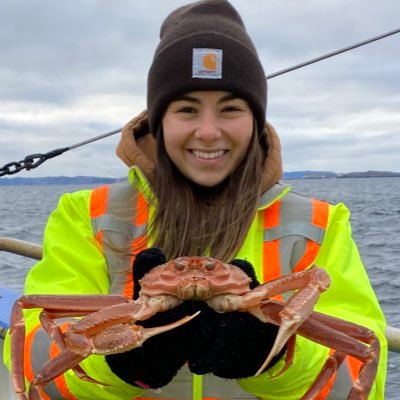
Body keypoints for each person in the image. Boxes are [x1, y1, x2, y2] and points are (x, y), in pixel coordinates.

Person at [4, 0, 387, 399]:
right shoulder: (87, 215)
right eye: (186, 109)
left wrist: (279, 358)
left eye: (231, 108)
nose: (207, 132)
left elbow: (363, 370)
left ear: (256, 120)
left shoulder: (319, 223)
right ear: (158, 120)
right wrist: (115, 360)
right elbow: (35, 364)